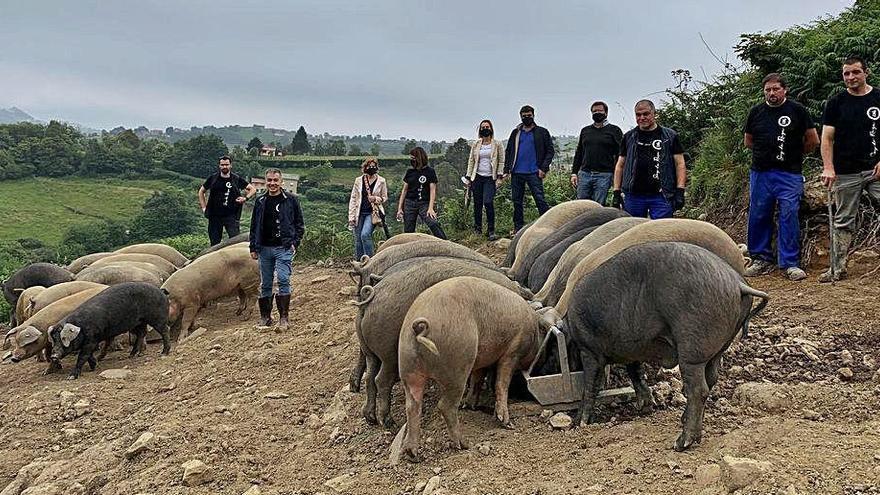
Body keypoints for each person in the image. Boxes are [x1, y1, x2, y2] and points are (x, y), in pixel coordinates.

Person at [743, 73, 819, 281]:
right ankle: (760, 258)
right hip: (761, 173)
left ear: (784, 90)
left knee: (789, 213)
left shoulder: (797, 111)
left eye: (775, 89)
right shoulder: (756, 112)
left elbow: (813, 140)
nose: (771, 93)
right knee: (758, 214)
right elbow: (748, 141)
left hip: (789, 174)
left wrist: (794, 154)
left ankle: (790, 263)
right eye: (768, 90)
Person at [818, 56, 880, 282]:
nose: (851, 77)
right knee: (843, 220)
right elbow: (827, 138)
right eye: (847, 74)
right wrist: (828, 167)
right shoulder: (836, 103)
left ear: (866, 72)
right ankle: (837, 268)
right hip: (846, 171)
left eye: (855, 72)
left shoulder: (878, 97)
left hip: (876, 169)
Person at [249, 168, 305, 331]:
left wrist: (295, 242)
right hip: (264, 248)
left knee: (282, 279)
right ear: (266, 182)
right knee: (265, 283)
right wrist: (253, 246)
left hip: (284, 247)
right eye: (269, 180)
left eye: (275, 180)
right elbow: (254, 226)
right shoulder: (260, 201)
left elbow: (299, 224)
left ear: (281, 182)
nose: (272, 183)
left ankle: (284, 318)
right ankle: (265, 317)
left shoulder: (291, 200)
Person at [611, 99, 686, 219]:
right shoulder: (629, 137)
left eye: (646, 114)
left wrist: (680, 191)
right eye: (638, 114)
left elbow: (680, 164)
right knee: (632, 231)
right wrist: (616, 191)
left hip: (662, 195)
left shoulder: (670, 136)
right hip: (633, 195)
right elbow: (620, 165)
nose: (642, 118)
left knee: (662, 231)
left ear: (654, 114)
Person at [504, 105, 554, 233]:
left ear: (533, 115)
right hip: (517, 171)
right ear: (520, 116)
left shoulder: (542, 132)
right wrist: (506, 169)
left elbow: (550, 151)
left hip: (534, 171)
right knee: (517, 201)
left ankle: (548, 226)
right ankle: (518, 228)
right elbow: (509, 151)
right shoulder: (516, 133)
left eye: (529, 115)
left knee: (539, 199)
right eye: (524, 116)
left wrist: (543, 168)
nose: (526, 117)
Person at [570, 101, 623, 205]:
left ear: (606, 113)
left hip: (604, 175)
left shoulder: (614, 130)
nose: (597, 113)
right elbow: (579, 152)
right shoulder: (585, 131)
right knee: (581, 205)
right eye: (594, 111)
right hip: (585, 174)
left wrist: (617, 175)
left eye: (600, 111)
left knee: (598, 207)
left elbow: (620, 154)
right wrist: (574, 173)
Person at [198, 155, 256, 246]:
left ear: (230, 165)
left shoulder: (236, 179)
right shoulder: (213, 178)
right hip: (214, 216)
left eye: (227, 164)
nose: (225, 167)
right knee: (214, 244)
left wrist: (245, 198)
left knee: (235, 242)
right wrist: (204, 208)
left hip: (231, 216)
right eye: (222, 165)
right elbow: (201, 191)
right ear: (219, 166)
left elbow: (252, 189)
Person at [465, 119, 505, 241]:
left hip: (490, 178)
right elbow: (471, 160)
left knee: (488, 202)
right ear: (480, 129)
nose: (485, 129)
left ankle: (491, 230)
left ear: (491, 128)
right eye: (483, 127)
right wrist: (468, 177)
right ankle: (477, 229)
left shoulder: (497, 144)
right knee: (477, 204)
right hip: (477, 177)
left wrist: (499, 176)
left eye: (487, 127)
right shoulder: (476, 144)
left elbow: (502, 161)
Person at [396, 147, 447, 239]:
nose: (411, 160)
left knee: (433, 223)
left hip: (424, 203)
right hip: (410, 203)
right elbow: (404, 190)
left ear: (419, 158)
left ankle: (446, 243)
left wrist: (430, 208)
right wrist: (400, 208)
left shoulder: (430, 172)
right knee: (408, 230)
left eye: (413, 158)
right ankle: (409, 250)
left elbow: (432, 190)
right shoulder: (410, 172)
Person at [347, 157, 388, 259]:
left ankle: (370, 260)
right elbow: (353, 198)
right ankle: (360, 261)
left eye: (374, 166)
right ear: (365, 167)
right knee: (358, 239)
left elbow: (384, 197)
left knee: (365, 235)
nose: (371, 168)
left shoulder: (381, 181)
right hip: (359, 212)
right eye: (369, 166)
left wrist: (375, 198)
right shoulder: (358, 181)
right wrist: (351, 217)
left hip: (372, 213)